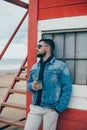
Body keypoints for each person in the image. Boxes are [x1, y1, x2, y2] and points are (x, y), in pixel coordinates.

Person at [24, 39, 72, 130]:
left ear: (48, 48)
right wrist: (32, 86)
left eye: (39, 46)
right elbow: (29, 84)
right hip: (35, 107)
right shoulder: (35, 67)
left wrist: (58, 108)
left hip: (51, 109)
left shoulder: (60, 66)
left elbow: (67, 88)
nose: (36, 49)